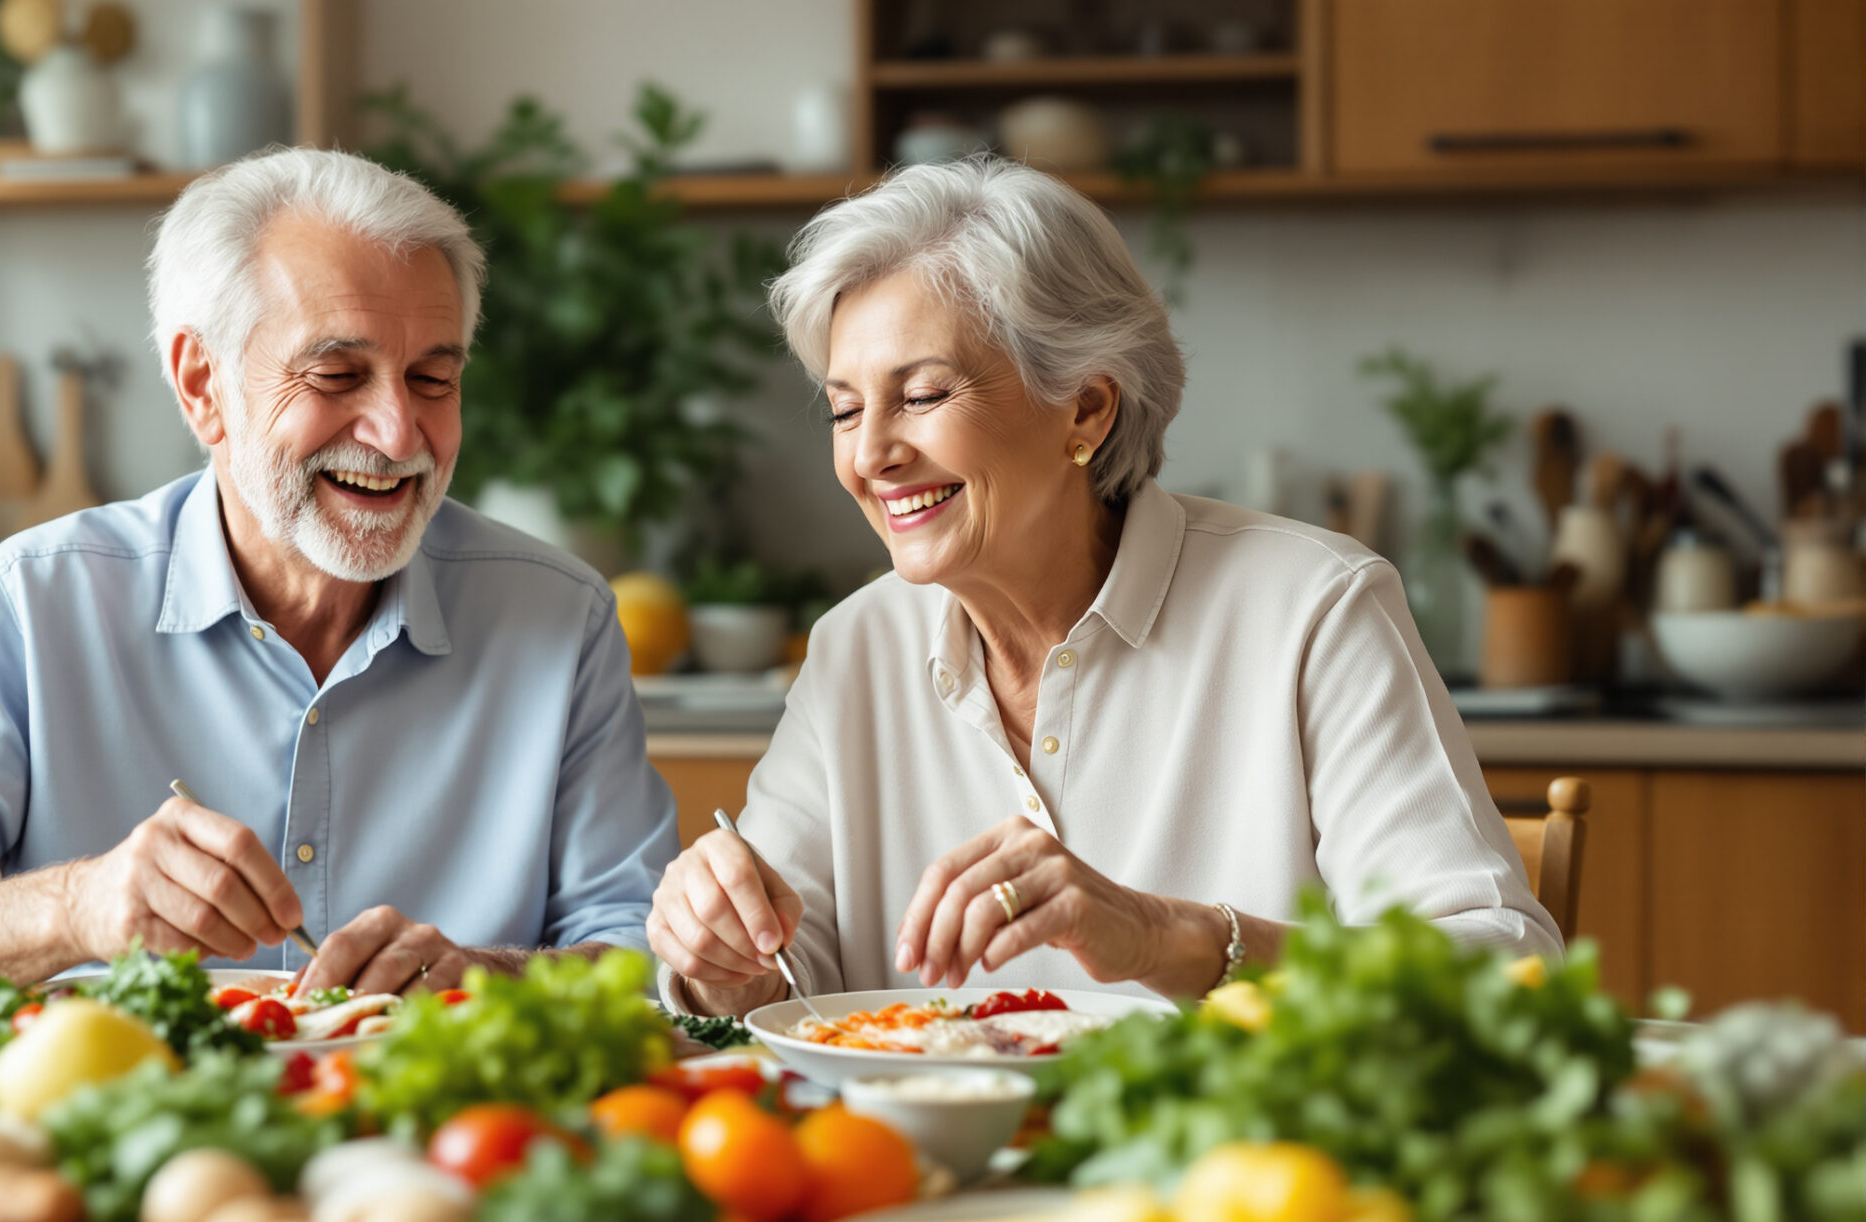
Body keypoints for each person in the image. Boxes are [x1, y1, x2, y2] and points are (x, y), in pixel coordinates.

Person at [647, 156, 1557, 1017]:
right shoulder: (854, 648)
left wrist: (1168, 937)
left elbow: (1502, 972)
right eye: (846, 409)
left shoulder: (1314, 609)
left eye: (921, 396)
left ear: (1085, 407)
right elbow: (786, 982)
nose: (871, 454)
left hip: (1236, 1135)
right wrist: (721, 952)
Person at [0, 148, 675, 994]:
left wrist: (488, 976)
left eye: (432, 378)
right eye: (337, 375)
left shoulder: (562, 618)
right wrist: (73, 908)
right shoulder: (39, 602)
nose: (398, 433)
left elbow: (646, 953)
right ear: (203, 385)